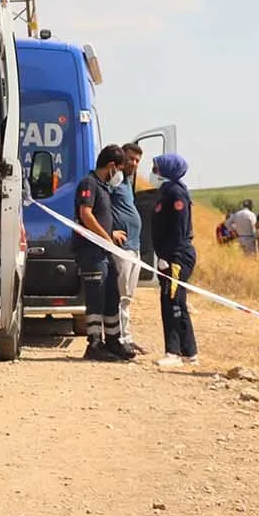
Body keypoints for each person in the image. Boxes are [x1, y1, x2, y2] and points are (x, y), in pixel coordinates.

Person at [73, 145, 132, 361]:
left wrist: (110, 234)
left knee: (112, 294)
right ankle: (95, 344)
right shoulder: (89, 184)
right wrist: (106, 238)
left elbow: (99, 217)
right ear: (111, 166)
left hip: (103, 251)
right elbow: (86, 214)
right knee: (96, 297)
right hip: (91, 252)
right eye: (119, 169)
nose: (119, 175)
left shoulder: (104, 187)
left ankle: (114, 341)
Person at [150, 153, 198, 367]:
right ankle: (187, 352)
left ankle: (176, 352)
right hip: (168, 256)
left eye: (156, 168)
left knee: (174, 302)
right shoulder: (166, 192)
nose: (153, 172)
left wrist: (168, 257)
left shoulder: (176, 193)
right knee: (170, 300)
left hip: (177, 256)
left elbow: (178, 230)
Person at [111, 142, 147, 357]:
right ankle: (119, 339)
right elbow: (100, 206)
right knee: (120, 296)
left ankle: (127, 337)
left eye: (137, 161)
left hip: (134, 246)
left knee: (127, 298)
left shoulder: (127, 182)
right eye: (130, 158)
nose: (133, 163)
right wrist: (110, 231)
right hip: (121, 247)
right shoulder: (115, 179)